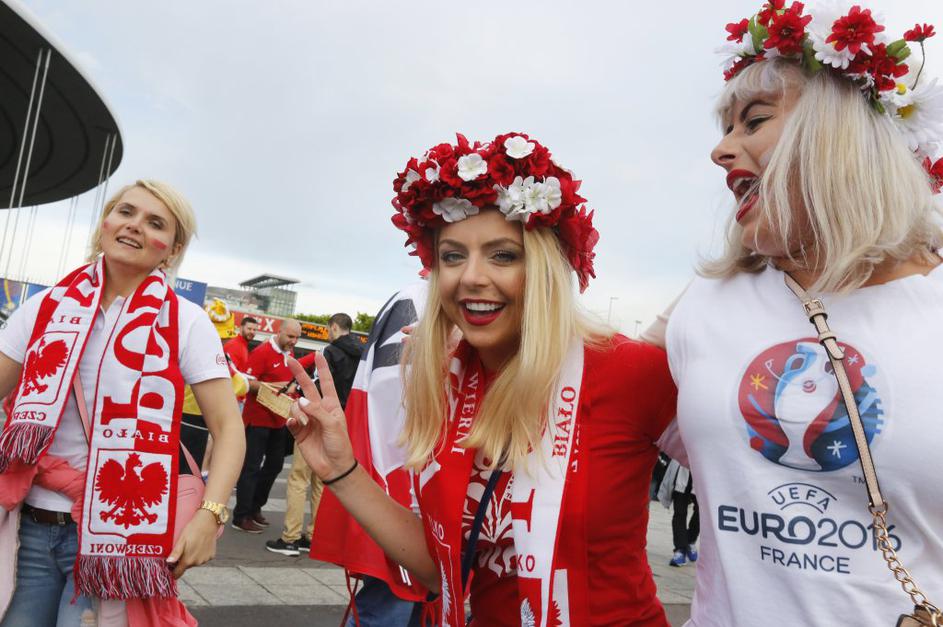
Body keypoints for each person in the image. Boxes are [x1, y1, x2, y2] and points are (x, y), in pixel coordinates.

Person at [286, 133, 677, 626]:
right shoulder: (445, 383)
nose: (471, 277)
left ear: (545, 268)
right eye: (452, 256)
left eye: (502, 255)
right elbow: (443, 570)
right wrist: (342, 470)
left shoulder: (630, 370)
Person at [653, 3, 943, 624]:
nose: (721, 150)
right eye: (725, 128)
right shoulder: (706, 304)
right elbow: (591, 400)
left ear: (844, 133)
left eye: (754, 121)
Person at [0, 180, 245, 626]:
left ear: (172, 250)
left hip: (117, 540)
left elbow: (229, 427)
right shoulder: (46, 308)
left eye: (155, 223)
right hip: (29, 528)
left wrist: (210, 516)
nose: (134, 226)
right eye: (126, 212)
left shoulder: (186, 321)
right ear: (105, 223)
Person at [267, 314, 363, 557]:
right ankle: (313, 535)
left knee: (299, 479)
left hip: (316, 418)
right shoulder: (361, 355)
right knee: (322, 481)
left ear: (333, 327)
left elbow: (316, 385)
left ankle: (290, 537)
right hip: (341, 422)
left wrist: (297, 389)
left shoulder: (330, 352)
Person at [232, 320, 301, 533]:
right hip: (257, 420)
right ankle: (241, 515)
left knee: (275, 465)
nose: (293, 341)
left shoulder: (289, 353)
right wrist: (273, 387)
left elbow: (290, 383)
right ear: (279, 332)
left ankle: (255, 507)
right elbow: (247, 383)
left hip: (279, 420)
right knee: (251, 468)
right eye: (290, 336)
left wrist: (292, 391)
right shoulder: (262, 352)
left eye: (297, 337)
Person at [179, 299, 249, 471]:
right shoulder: (213, 353)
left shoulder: (189, 345)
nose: (222, 340)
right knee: (189, 473)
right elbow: (239, 384)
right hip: (195, 419)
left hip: (188, 417)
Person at [655, 458, 698, 568]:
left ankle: (690, 539)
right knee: (679, 511)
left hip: (703, 469)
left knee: (702, 511)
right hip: (682, 466)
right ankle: (680, 550)